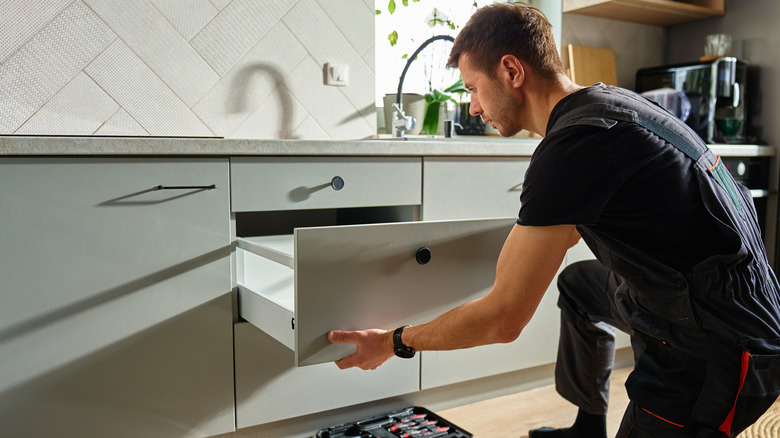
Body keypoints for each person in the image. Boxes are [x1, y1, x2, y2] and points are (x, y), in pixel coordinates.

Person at [328, 3, 780, 437]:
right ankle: (588, 426)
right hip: (721, 300)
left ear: (511, 71)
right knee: (580, 286)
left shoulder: (573, 148)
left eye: (471, 88)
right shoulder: (610, 105)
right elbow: (553, 240)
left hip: (720, 348)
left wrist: (394, 341)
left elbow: (504, 320)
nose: (473, 108)